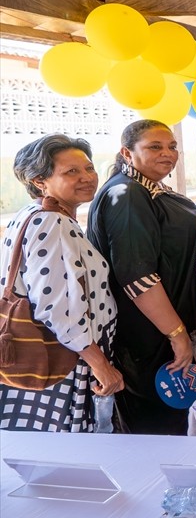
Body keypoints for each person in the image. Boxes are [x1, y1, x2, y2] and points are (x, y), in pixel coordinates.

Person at [2, 135, 123, 432]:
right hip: (63, 357)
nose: (87, 178)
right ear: (40, 181)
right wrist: (100, 365)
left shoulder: (34, 215)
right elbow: (55, 309)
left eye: (89, 168)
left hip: (66, 351)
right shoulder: (51, 223)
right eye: (71, 172)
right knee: (67, 448)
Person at [88, 120, 196, 435]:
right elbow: (138, 277)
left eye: (172, 146)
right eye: (155, 146)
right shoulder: (127, 194)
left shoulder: (147, 189)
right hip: (149, 337)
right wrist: (178, 335)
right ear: (127, 152)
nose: (168, 153)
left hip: (165, 330)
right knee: (159, 429)